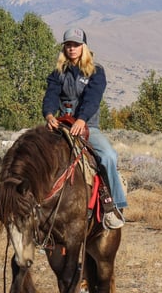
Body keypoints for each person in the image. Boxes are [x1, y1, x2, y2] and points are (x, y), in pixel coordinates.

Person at [42, 27, 127, 229]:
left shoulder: (96, 72)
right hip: (60, 125)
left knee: (108, 156)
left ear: (84, 47)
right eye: (68, 45)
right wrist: (49, 115)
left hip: (87, 126)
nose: (72, 48)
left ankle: (113, 206)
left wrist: (81, 119)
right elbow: (51, 96)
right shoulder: (57, 73)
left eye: (76, 45)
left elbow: (92, 98)